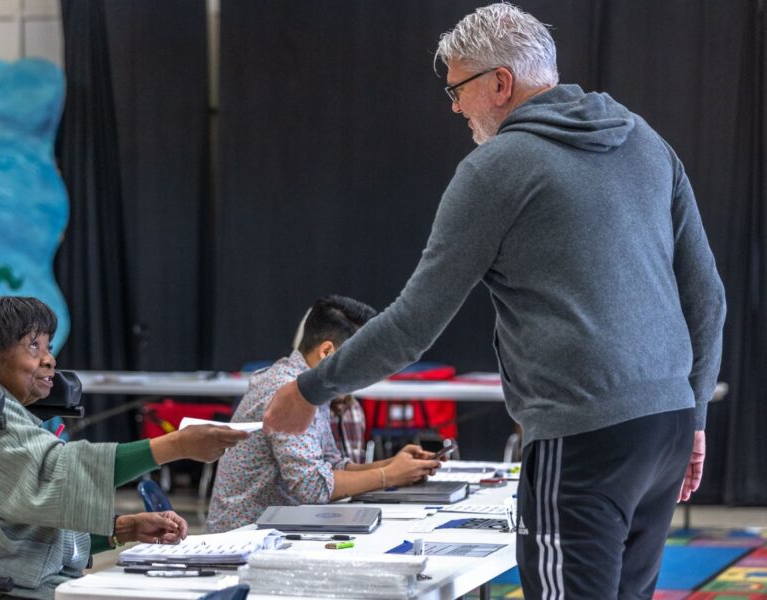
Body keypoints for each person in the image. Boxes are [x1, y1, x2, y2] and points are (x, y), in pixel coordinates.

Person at [264, 4, 725, 599]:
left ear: (500, 83)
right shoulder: (646, 140)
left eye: (458, 89)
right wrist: (694, 417)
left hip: (583, 432)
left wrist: (310, 389)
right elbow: (707, 296)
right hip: (666, 425)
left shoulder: (496, 168)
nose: (455, 106)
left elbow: (413, 323)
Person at [0, 296, 248, 599]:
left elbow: (27, 526)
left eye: (48, 346)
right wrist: (177, 444)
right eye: (32, 346)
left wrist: (124, 529)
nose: (49, 358)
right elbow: (57, 473)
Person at [206, 295, 439, 533]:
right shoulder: (286, 389)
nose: (365, 376)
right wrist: (388, 475)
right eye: (359, 362)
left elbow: (330, 467)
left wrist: (397, 466)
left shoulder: (310, 385)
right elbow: (312, 488)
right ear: (327, 352)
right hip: (245, 539)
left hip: (276, 530)